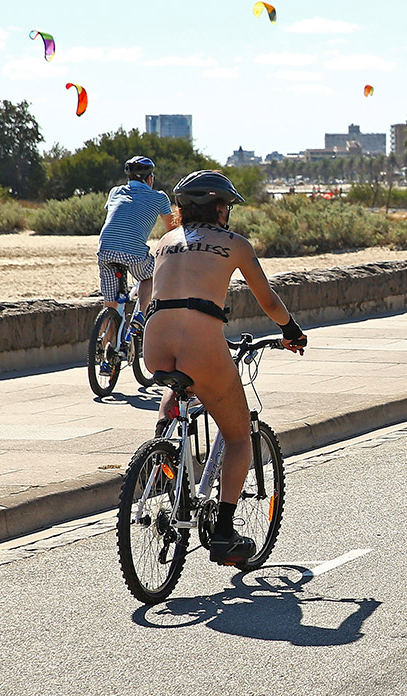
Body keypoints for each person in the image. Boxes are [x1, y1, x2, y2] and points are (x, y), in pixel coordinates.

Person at [142, 170, 307, 565]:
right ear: (219, 209)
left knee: (180, 386)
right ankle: (224, 532)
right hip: (202, 344)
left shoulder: (164, 242)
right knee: (237, 436)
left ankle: (167, 447)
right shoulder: (234, 244)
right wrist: (291, 331)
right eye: (227, 207)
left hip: (155, 342)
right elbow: (267, 300)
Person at [97, 156, 174, 321]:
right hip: (133, 253)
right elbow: (172, 230)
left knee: (110, 305)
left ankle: (107, 343)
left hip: (105, 250)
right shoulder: (160, 198)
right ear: (150, 178)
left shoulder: (115, 192)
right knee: (149, 276)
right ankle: (141, 315)